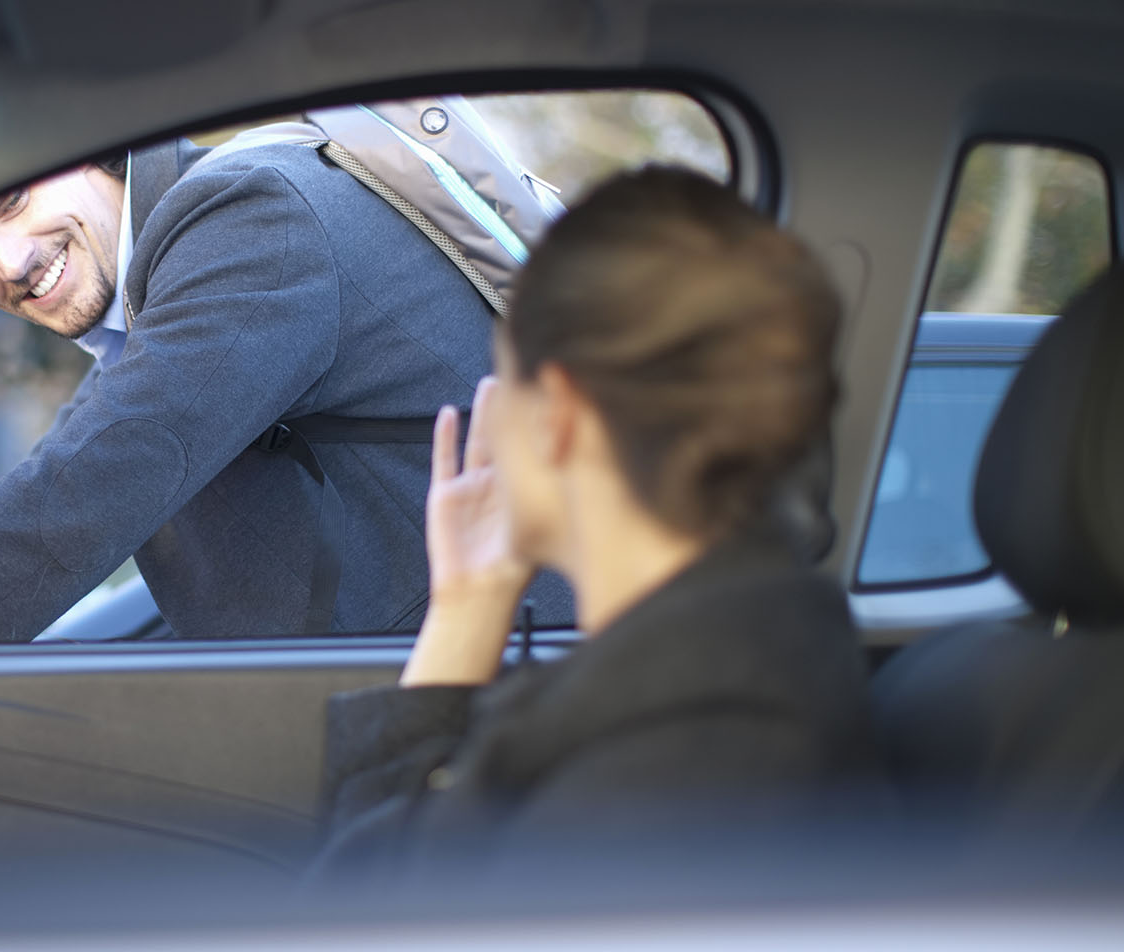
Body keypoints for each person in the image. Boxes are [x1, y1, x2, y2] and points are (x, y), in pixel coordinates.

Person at [0, 167, 877, 917]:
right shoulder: (679, 665)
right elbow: (382, 896)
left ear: (569, 411)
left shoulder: (707, 714)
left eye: (506, 359)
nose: (3, 265)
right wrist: (464, 606)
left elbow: (88, 484)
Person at [313, 167, 878, 882]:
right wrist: (467, 604)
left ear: (559, 416)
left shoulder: (686, 754)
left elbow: (367, 920)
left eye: (503, 380)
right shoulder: (732, 659)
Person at [0, 137, 570, 642]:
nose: (12, 261)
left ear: (86, 147)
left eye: (10, 202)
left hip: (521, 721)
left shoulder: (247, 219)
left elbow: (80, 493)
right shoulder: (171, 279)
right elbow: (79, 465)